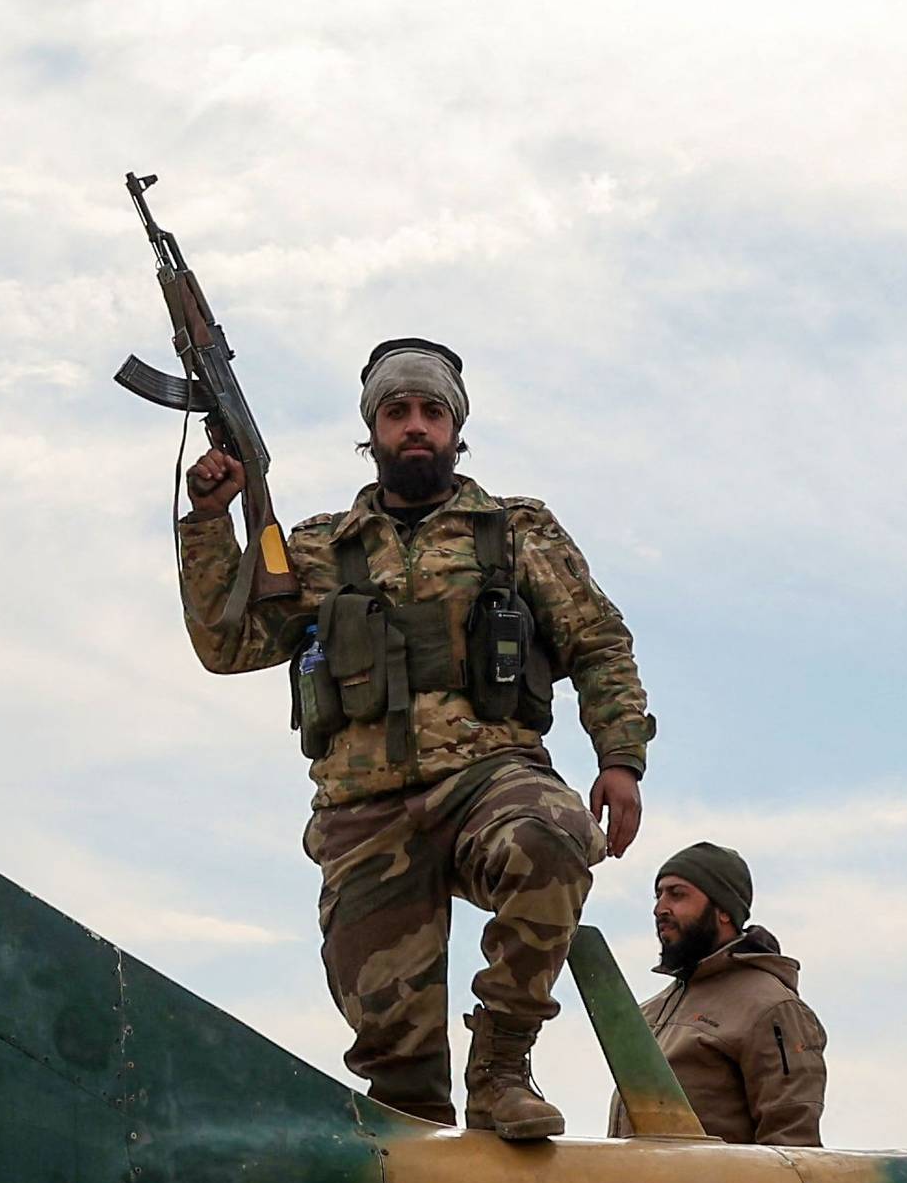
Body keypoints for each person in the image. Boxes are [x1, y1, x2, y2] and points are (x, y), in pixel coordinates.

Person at [177, 339, 651, 1139]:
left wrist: (620, 758)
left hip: (487, 776)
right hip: (366, 809)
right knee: (398, 1075)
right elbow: (228, 645)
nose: (416, 426)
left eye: (432, 411)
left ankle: (502, 1065)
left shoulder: (516, 530)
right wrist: (211, 521)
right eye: (397, 413)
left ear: (457, 428)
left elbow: (598, 642)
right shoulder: (322, 547)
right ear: (373, 433)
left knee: (554, 836)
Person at [605, 841, 826, 1146]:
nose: (660, 909)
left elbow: (793, 1146)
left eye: (677, 894)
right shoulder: (651, 1011)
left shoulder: (771, 1007)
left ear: (723, 910)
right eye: (658, 895)